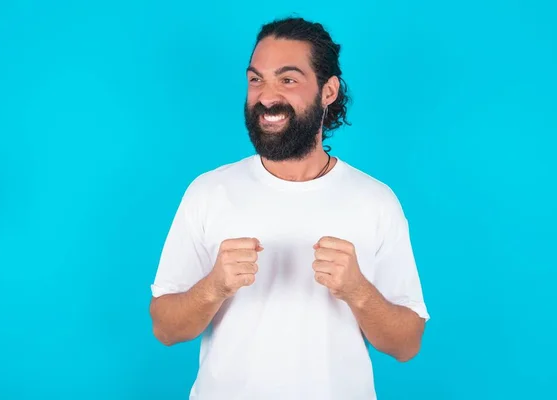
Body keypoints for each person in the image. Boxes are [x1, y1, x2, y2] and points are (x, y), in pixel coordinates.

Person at [149, 16, 430, 400]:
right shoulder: (209, 192)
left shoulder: (375, 201)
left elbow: (407, 344)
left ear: (328, 91)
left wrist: (358, 291)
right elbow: (165, 328)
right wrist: (215, 286)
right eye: (256, 79)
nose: (266, 96)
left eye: (288, 79)